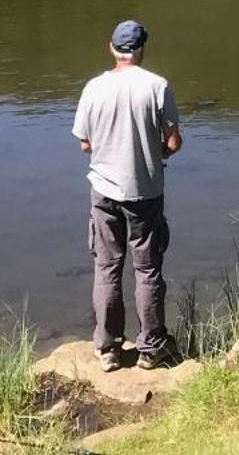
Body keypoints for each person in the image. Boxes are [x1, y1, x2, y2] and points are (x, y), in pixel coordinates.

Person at [73, 20, 183, 370]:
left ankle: (107, 349)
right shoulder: (157, 86)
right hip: (145, 193)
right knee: (147, 270)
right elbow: (172, 142)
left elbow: (85, 143)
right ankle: (151, 349)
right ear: (141, 50)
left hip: (103, 191)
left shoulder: (93, 87)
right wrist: (160, 153)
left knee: (106, 267)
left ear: (112, 48)